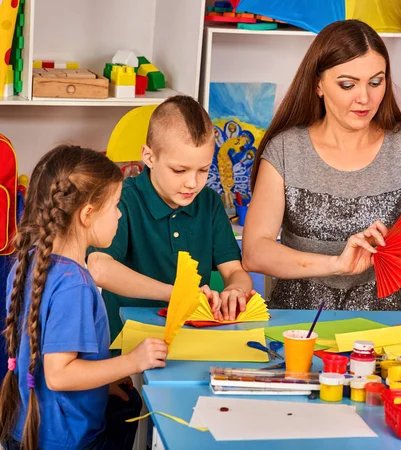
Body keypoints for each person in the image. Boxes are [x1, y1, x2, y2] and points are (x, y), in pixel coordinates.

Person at [242, 20, 401, 311]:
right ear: (318, 84)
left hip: (383, 328)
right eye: (347, 84)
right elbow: (254, 253)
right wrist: (336, 264)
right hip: (297, 325)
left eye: (376, 82)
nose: (365, 98)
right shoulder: (287, 148)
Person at [0, 146, 167, 450]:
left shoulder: (31, 263)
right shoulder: (74, 284)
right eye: (116, 205)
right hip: (66, 441)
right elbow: (60, 375)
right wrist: (132, 361)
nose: (119, 214)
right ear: (87, 214)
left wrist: (104, 382)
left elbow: (47, 362)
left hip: (27, 431)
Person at [88, 96, 253, 339]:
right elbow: (99, 267)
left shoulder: (209, 202)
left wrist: (236, 290)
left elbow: (234, 271)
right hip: (125, 343)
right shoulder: (122, 199)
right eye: (179, 170)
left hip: (189, 338)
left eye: (203, 170)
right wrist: (176, 294)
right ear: (149, 156)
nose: (192, 182)